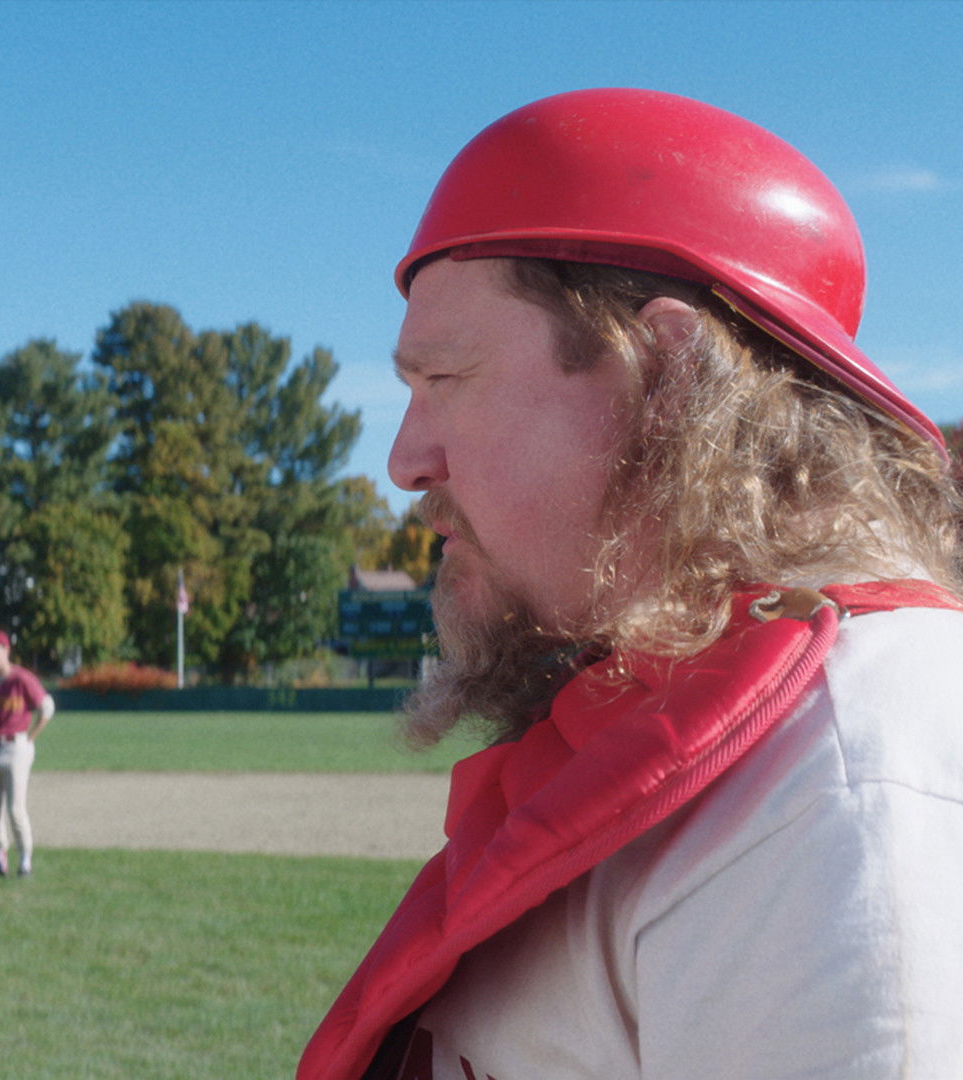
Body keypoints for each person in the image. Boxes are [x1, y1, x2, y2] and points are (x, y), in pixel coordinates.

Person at [298, 88, 963, 1080]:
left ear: (665, 376)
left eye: (444, 380)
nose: (404, 461)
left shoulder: (847, 784)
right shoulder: (710, 718)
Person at [0, 630, 54, 878]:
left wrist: (31, 737)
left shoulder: (21, 678)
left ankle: (25, 861)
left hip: (16, 746)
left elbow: (47, 707)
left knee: (15, 810)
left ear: (7, 651)